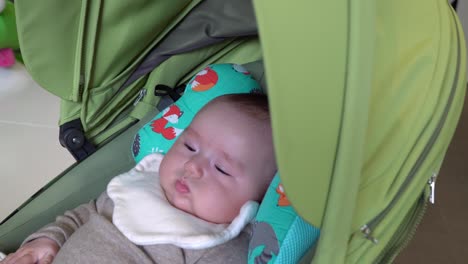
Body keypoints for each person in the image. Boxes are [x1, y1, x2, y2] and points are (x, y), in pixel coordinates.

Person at [1, 93, 277, 264]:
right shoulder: (139, 187)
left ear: (259, 199)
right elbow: (79, 217)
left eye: (221, 169)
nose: (192, 166)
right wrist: (47, 241)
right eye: (189, 147)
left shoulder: (217, 247)